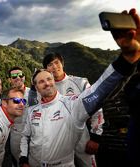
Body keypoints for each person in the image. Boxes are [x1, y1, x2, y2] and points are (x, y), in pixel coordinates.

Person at [19, 8, 140, 167]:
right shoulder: (33, 110)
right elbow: (26, 136)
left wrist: (126, 59)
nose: (47, 82)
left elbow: (99, 91)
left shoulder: (73, 102)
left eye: (49, 79)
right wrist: (23, 159)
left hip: (78, 142)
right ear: (35, 86)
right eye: (41, 81)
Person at [42, 52, 104, 167]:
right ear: (46, 69)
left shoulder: (80, 82)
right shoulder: (44, 89)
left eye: (56, 62)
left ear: (62, 64)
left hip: (82, 137)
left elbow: (96, 107)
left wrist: (95, 137)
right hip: (57, 141)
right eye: (50, 64)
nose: (54, 67)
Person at [8, 67, 30, 166]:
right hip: (16, 135)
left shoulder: (34, 93)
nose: (18, 78)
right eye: (14, 76)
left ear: (24, 77)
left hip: (34, 134)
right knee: (18, 162)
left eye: (20, 75)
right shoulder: (7, 97)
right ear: (9, 79)